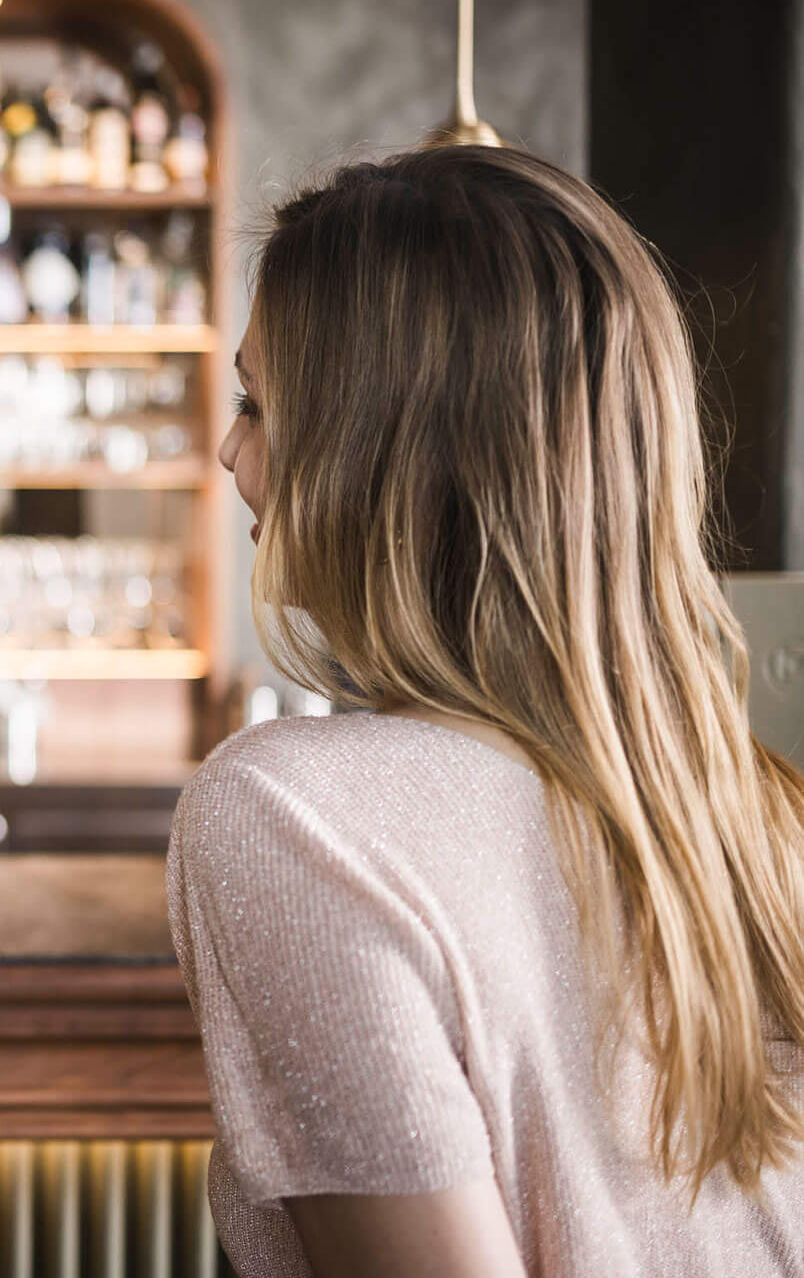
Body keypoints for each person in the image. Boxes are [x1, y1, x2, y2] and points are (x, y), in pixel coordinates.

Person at [171, 145, 804, 1276]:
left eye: (261, 407)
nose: (230, 452)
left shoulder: (290, 812)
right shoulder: (759, 820)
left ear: (381, 457)